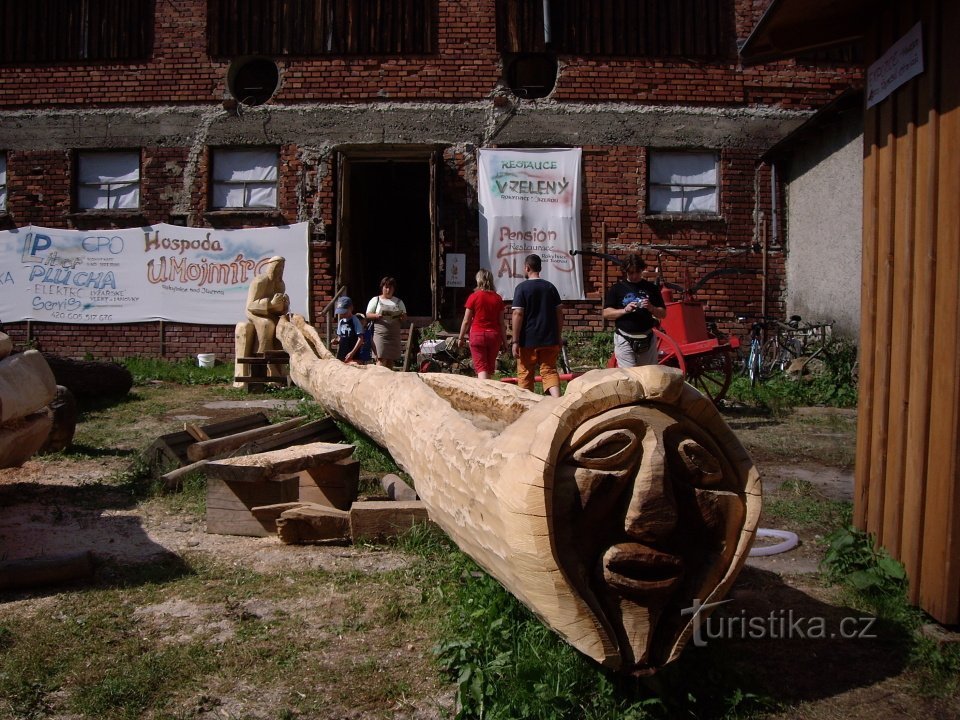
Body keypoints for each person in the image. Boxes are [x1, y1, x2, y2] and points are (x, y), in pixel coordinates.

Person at [511, 254, 564, 397]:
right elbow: (559, 313)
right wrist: (558, 336)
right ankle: (557, 401)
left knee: (525, 372)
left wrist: (515, 341)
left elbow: (518, 314)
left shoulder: (521, 288)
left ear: (527, 267)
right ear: (540, 268)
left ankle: (527, 407)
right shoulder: (550, 287)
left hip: (527, 340)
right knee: (549, 371)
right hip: (549, 338)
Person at [602, 252, 666, 368]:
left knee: (649, 374)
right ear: (625, 271)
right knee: (629, 376)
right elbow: (606, 313)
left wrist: (651, 308)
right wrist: (625, 310)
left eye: (637, 272)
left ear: (642, 270)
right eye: (631, 272)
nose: (634, 276)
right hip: (625, 337)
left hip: (647, 336)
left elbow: (663, 314)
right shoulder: (617, 289)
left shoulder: (651, 288)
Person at [456, 268, 508, 380]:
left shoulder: (473, 297)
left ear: (478, 280)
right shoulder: (498, 299)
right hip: (494, 336)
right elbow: (501, 323)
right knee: (489, 369)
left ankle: (484, 395)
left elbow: (466, 321)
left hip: (477, 335)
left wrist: (460, 338)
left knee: (481, 368)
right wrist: (505, 342)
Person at [245, 256, 289, 354]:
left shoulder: (280, 284)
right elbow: (250, 306)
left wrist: (283, 305)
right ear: (271, 267)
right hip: (254, 313)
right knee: (266, 324)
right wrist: (271, 303)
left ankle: (279, 359)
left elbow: (277, 310)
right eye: (278, 267)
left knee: (283, 325)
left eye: (282, 268)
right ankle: (262, 355)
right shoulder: (260, 281)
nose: (280, 270)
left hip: (270, 313)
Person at [365, 276, 407, 369]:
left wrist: (401, 316)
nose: (388, 290)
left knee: (390, 360)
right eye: (386, 287)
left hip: (393, 335)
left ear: (393, 289)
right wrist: (377, 315)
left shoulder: (399, 302)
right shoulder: (376, 300)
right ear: (382, 287)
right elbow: (368, 314)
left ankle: (388, 382)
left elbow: (404, 317)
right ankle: (379, 381)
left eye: (390, 288)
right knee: (381, 359)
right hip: (380, 334)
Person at [334, 296, 366, 364]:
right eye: (341, 312)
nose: (342, 314)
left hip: (353, 354)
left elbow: (360, 338)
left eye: (344, 312)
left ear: (351, 308)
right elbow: (340, 337)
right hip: (342, 353)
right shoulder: (341, 322)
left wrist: (352, 353)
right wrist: (336, 341)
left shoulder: (355, 320)